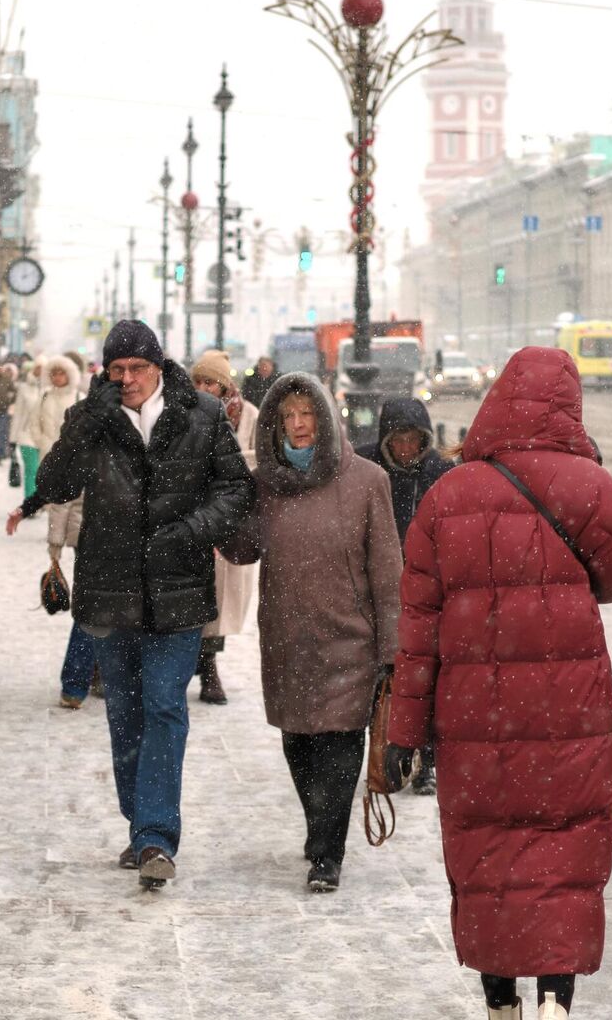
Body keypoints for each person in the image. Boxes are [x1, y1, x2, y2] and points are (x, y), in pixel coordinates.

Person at [384, 347, 612, 1020]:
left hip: (476, 716)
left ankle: (499, 1000)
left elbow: (417, 627)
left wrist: (402, 734)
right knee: (566, 851)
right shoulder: (587, 487)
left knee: (489, 853)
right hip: (571, 709)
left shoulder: (447, 495)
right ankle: (557, 1000)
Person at [6, 320, 254, 889]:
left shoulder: (203, 416)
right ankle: (140, 821)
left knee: (165, 704)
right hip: (109, 591)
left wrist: (192, 529)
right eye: (116, 371)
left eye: (137, 369)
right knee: (125, 715)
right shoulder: (90, 420)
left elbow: (235, 490)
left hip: (178, 587)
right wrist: (86, 422)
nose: (127, 381)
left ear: (158, 367)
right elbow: (57, 482)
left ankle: (155, 837)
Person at [218, 372, 399, 893]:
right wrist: (219, 503)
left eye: (307, 413)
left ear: (326, 415)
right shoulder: (265, 485)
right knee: (298, 743)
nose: (298, 425)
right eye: (287, 416)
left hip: (350, 641)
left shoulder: (368, 481)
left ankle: (329, 851)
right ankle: (319, 826)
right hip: (287, 639)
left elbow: (388, 572)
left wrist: (393, 649)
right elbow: (242, 550)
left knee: (341, 746)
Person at [356, 396, 456, 796]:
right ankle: (387, 755)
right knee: (383, 680)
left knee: (427, 678)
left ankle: (428, 761)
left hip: (429, 589)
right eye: (398, 440)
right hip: (379, 588)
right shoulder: (366, 468)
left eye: (414, 440)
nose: (406, 449)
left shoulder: (440, 473)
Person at [189, 350, 261, 706]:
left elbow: (258, 461)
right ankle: (197, 662)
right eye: (198, 381)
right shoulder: (185, 413)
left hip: (233, 521)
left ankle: (209, 665)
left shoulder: (248, 415)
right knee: (193, 596)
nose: (204, 388)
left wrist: (221, 463)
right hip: (194, 516)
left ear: (225, 384)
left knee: (222, 602)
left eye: (210, 382)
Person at [31, 356, 95, 709]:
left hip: (116, 537)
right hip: (91, 536)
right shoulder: (83, 431)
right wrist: (55, 542)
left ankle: (83, 679)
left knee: (98, 611)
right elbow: (61, 493)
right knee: (92, 611)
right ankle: (77, 681)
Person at [9, 358, 45, 498]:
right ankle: (30, 503)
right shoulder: (24, 388)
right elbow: (18, 415)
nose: (40, 371)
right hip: (27, 435)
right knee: (31, 470)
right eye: (38, 368)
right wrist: (12, 439)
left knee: (42, 471)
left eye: (43, 368)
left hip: (45, 436)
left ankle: (39, 501)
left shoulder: (50, 389)